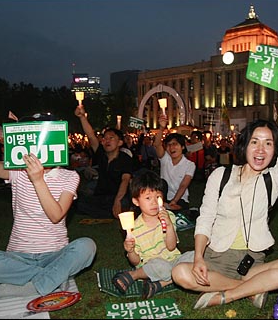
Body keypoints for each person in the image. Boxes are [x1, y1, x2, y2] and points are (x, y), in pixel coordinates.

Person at [170, 71, 278, 309]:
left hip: (252, 262)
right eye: (255, 142)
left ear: (273, 150)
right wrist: (198, 257)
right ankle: (250, 289)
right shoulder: (221, 175)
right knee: (180, 273)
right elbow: (205, 217)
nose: (261, 149)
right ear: (245, 145)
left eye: (268, 143)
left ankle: (226, 295)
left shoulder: (273, 179)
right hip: (216, 259)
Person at [0, 116, 97, 299]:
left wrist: (38, 180)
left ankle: (34, 285)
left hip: (55, 254)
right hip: (19, 256)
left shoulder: (70, 176)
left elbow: (56, 215)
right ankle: (52, 278)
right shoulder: (17, 169)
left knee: (86, 246)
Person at [111, 170, 194, 299]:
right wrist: (130, 250)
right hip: (153, 265)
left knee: (195, 256)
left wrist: (169, 225)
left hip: (174, 260)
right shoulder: (134, 229)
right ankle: (135, 275)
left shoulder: (169, 216)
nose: (154, 202)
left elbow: (171, 247)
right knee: (161, 267)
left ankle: (161, 283)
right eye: (148, 198)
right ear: (136, 201)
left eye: (158, 197)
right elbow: (136, 261)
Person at [74, 105, 133, 219]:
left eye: (111, 138)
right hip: (101, 197)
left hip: (117, 197)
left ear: (120, 142)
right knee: (77, 200)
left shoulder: (125, 158)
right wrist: (82, 117)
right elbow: (91, 136)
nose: (107, 140)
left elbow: (125, 180)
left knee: (123, 204)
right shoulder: (101, 154)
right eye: (105, 138)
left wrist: (117, 200)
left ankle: (110, 211)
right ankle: (109, 213)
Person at [153, 117, 196, 212]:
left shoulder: (189, 165)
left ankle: (168, 208)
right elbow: (157, 144)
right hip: (163, 196)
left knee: (177, 206)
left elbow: (183, 185)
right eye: (169, 145)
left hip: (179, 199)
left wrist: (174, 201)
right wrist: (161, 128)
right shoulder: (165, 159)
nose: (171, 147)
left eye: (175, 144)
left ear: (182, 147)